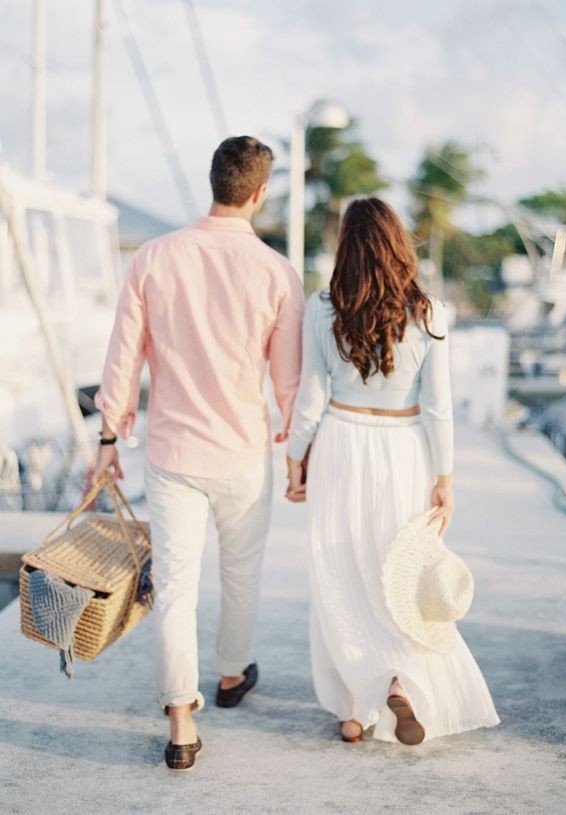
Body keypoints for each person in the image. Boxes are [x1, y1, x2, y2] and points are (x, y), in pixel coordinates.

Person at [93, 136, 305, 770]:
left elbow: (122, 355)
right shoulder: (276, 272)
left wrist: (108, 436)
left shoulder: (154, 258)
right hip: (243, 453)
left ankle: (181, 720)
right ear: (261, 194)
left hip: (173, 454)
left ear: (212, 181)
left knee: (176, 588)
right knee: (241, 577)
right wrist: (296, 453)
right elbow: (288, 382)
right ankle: (233, 675)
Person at [285, 197, 499, 745]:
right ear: (398, 246)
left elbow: (309, 399)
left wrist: (294, 460)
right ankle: (400, 683)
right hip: (405, 449)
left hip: (341, 444)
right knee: (394, 575)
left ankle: (355, 709)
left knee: (340, 574)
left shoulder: (323, 307)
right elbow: (440, 408)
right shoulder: (430, 313)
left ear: (346, 248)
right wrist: (445, 478)